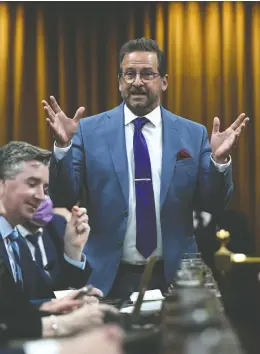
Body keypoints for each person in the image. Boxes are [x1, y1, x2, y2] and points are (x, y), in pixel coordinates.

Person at [43, 37, 249, 298]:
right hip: (106, 277)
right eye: (129, 74)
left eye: (147, 74)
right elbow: (63, 196)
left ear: (163, 81)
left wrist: (219, 163)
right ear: (120, 81)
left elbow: (214, 203)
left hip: (174, 277)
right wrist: (62, 148)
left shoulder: (192, 134)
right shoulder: (90, 131)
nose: (137, 82)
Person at [0, 141, 92, 300]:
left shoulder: (16, 241)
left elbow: (44, 298)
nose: (41, 196)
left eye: (46, 189)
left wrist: (73, 251)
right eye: (32, 183)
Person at [17, 197, 92, 291]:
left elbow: (71, 286)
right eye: (32, 185)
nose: (42, 196)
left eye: (46, 190)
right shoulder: (6, 235)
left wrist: (73, 253)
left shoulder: (58, 224)